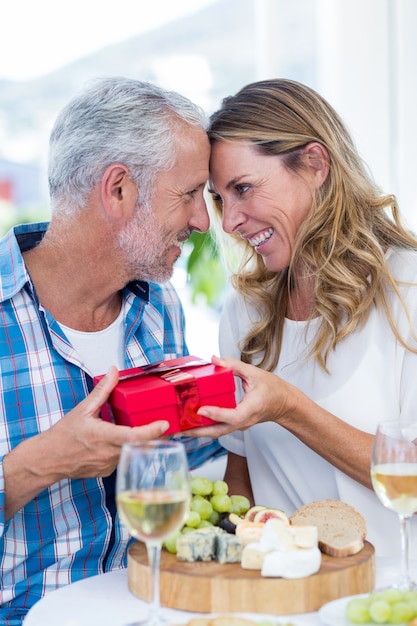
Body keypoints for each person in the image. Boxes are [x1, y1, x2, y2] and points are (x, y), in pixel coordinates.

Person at [0, 76, 224, 625]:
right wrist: (36, 465)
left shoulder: (159, 305)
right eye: (189, 193)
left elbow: (183, 476)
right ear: (118, 189)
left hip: (150, 607)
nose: (202, 220)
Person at [190, 78, 417, 558]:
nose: (229, 221)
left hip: (395, 598)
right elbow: (241, 483)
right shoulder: (245, 311)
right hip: (284, 599)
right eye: (219, 199)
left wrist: (289, 408)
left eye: (244, 189)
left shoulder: (407, 288)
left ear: (314, 164)